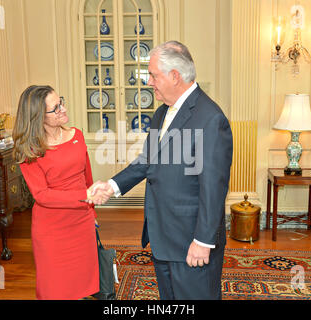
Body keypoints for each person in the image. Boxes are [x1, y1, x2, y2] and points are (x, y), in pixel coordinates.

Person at [92, 41, 233, 300]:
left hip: (191, 241)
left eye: (154, 75)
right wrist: (111, 186)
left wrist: (202, 241)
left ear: (175, 76)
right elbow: (148, 161)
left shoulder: (211, 118)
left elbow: (213, 188)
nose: (149, 82)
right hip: (163, 236)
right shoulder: (161, 113)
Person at [12, 85, 101, 300]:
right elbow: (42, 195)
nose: (63, 109)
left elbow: (86, 177)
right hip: (52, 229)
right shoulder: (29, 149)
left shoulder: (77, 135)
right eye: (55, 108)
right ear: (38, 116)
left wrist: (92, 212)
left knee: (81, 285)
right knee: (55, 290)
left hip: (82, 221)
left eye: (61, 102)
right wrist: (85, 196)